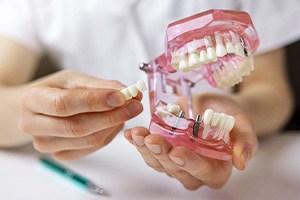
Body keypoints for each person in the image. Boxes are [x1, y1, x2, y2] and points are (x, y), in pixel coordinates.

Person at [0, 0, 299, 190]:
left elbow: (271, 90)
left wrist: (237, 111)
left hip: (252, 181)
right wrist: (32, 110)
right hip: (114, 176)